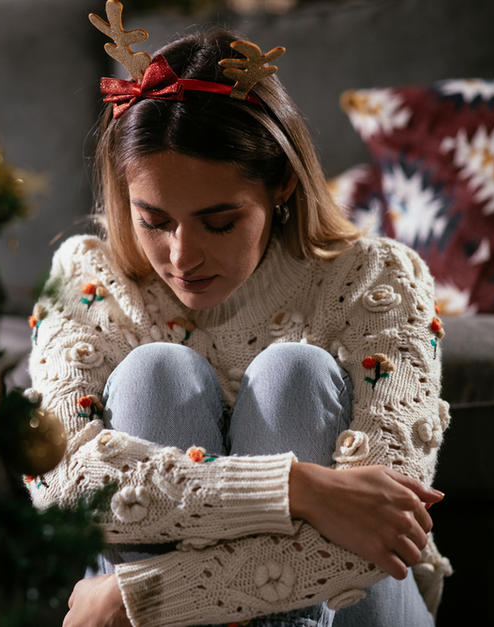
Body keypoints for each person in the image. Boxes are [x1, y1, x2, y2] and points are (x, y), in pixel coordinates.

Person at [23, 2, 452, 625]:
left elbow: (378, 525)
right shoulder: (90, 276)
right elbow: (61, 485)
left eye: (218, 222)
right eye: (154, 220)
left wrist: (140, 597)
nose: (182, 255)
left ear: (280, 187)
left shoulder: (378, 277)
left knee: (295, 374)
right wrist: (296, 489)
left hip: (357, 601)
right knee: (155, 375)